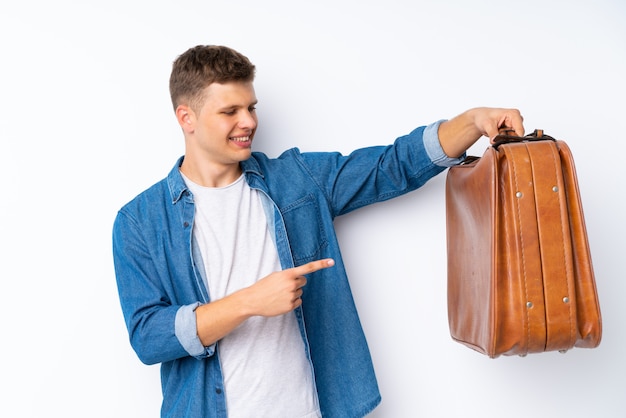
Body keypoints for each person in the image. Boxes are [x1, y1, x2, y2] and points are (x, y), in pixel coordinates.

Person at [112, 44, 524, 418]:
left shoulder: (296, 178)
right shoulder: (138, 221)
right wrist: (249, 301)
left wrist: (472, 121)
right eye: (230, 111)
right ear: (187, 117)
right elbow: (149, 337)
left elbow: (391, 166)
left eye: (251, 107)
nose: (248, 122)